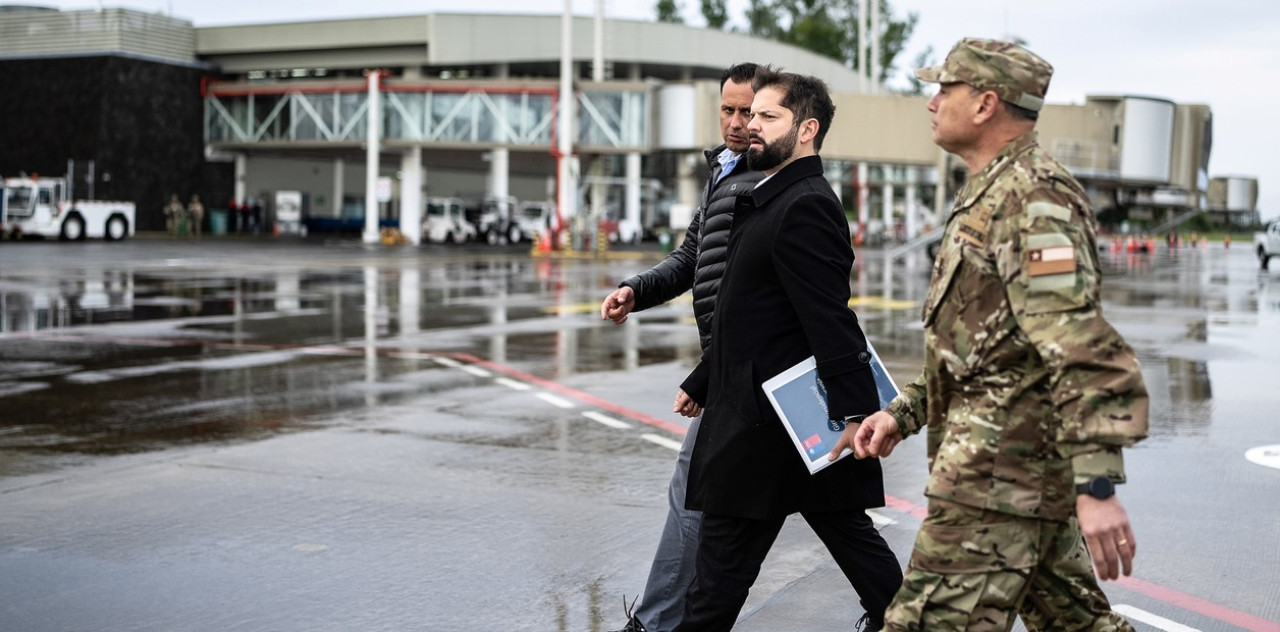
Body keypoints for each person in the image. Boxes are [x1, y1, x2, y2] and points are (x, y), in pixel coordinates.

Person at [842, 38, 1150, 631]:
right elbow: (981, 349)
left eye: (944, 88)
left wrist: (1097, 484)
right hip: (1012, 478)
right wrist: (903, 413)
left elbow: (1080, 346)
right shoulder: (989, 193)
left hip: (996, 487)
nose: (931, 102)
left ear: (985, 104)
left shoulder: (1034, 201)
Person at [672, 68, 902, 632]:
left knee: (716, 586)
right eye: (751, 114)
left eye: (767, 116)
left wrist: (853, 413)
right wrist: (703, 380)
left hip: (768, 429)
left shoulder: (805, 204)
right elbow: (756, 317)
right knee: (853, 545)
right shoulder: (769, 197)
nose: (750, 125)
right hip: (773, 422)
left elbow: (827, 319)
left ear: (806, 129)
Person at [600, 61, 764, 632]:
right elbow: (691, 257)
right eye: (729, 109)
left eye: (750, 111)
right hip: (730, 365)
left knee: (695, 494)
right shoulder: (724, 173)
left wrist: (703, 375)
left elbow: (754, 297)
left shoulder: (763, 180)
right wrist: (634, 289)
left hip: (741, 369)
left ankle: (656, 622)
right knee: (829, 513)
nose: (738, 122)